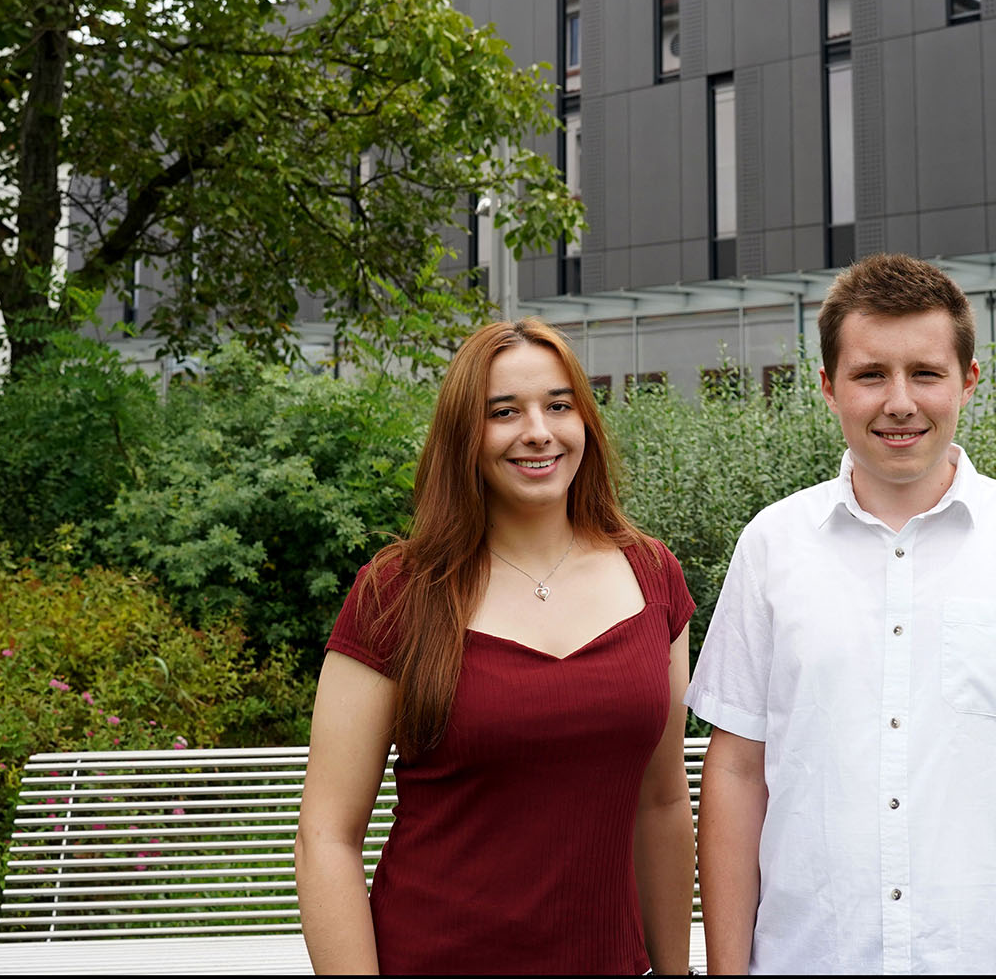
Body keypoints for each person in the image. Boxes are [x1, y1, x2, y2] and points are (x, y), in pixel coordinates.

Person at [687, 253, 996, 974]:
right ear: (827, 387)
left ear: (968, 381)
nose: (900, 401)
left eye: (925, 373)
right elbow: (736, 773)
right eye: (870, 374)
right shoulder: (771, 547)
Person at [296, 318, 696, 975]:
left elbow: (663, 802)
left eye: (559, 406)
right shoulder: (397, 592)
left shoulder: (653, 577)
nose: (538, 431)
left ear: (586, 422)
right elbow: (326, 836)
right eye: (504, 412)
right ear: (464, 435)